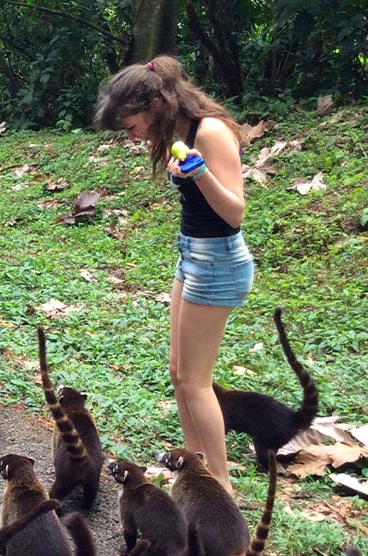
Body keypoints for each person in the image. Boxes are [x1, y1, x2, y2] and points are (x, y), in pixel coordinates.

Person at [95, 55, 254, 493]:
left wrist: (200, 174)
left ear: (154, 104)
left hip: (218, 260)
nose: (131, 136)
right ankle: (192, 463)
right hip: (192, 256)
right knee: (177, 371)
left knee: (195, 380)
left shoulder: (211, 132)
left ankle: (218, 484)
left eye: (130, 126)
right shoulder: (179, 132)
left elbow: (235, 213)